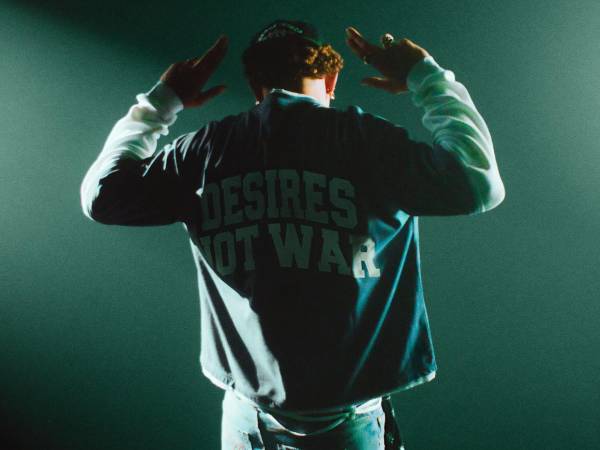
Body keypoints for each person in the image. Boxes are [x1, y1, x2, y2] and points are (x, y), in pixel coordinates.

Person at [80, 19, 505, 450]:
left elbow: (101, 197)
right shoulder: (367, 142)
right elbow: (479, 182)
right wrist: (425, 77)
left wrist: (162, 101)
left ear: (255, 84)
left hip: (246, 420)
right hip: (346, 425)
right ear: (332, 78)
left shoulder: (208, 149)